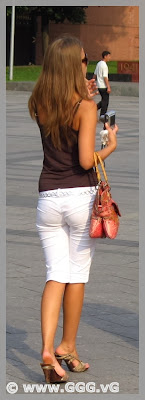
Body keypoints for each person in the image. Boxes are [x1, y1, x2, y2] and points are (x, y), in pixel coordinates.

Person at [28, 36, 118, 384]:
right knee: (76, 275)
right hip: (79, 199)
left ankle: (48, 349)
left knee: (55, 274)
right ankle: (67, 346)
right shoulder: (84, 106)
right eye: (83, 61)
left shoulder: (39, 101)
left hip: (47, 199)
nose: (87, 65)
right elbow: (84, 161)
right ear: (73, 66)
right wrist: (110, 146)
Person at [93, 51, 111, 118]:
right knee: (105, 101)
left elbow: (95, 74)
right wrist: (108, 86)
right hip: (103, 86)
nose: (109, 58)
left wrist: (92, 82)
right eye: (109, 56)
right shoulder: (104, 65)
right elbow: (105, 77)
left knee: (103, 100)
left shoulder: (99, 63)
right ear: (105, 56)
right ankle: (102, 115)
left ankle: (94, 108)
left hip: (99, 85)